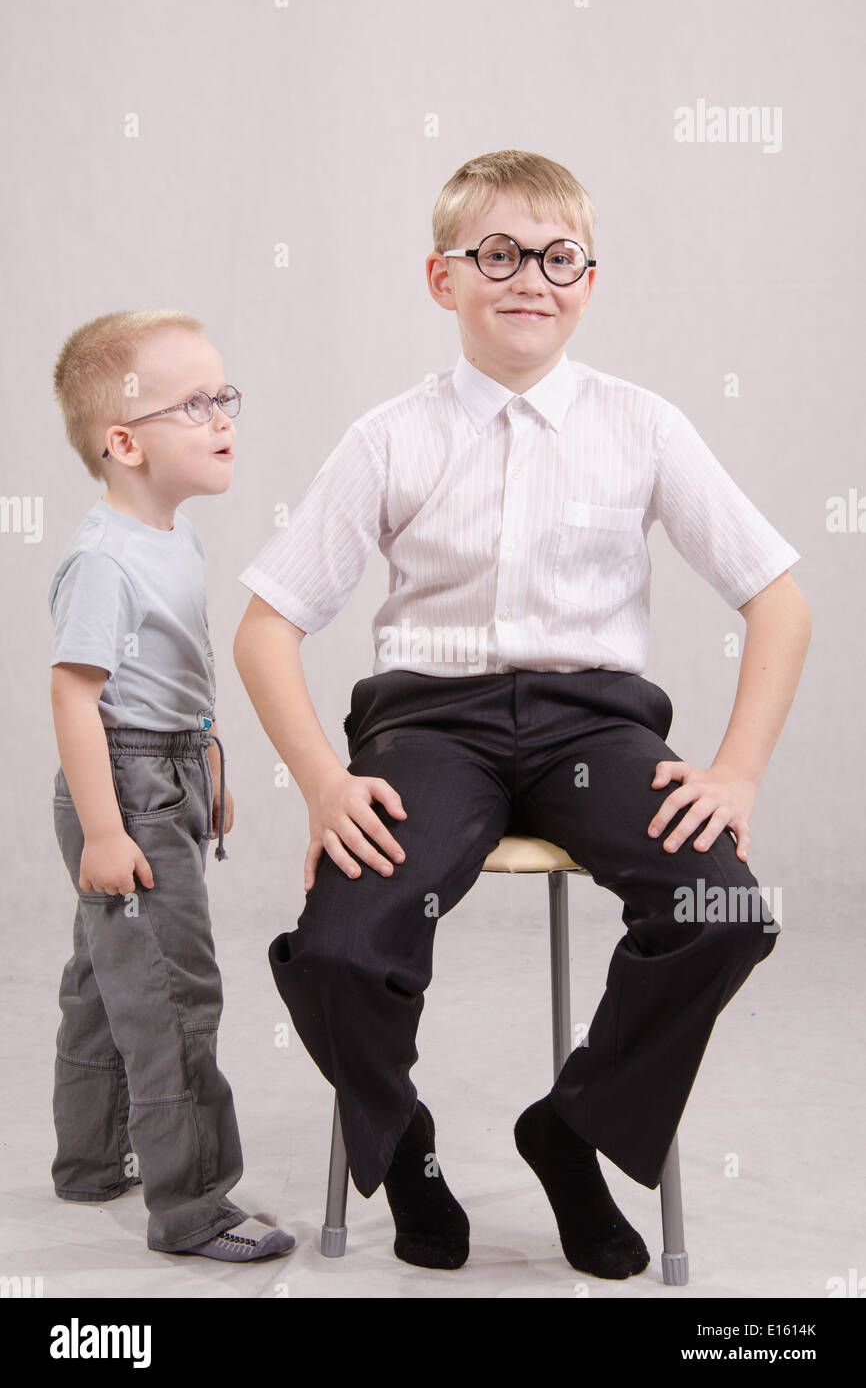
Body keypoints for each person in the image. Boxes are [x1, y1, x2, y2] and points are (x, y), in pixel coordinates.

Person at [233, 150, 811, 1278]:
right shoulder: (388, 436)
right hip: (428, 728)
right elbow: (266, 626)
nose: (527, 278)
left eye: (555, 258)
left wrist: (735, 771)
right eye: (496, 254)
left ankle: (571, 1130)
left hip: (591, 730)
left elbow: (777, 602)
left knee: (723, 908)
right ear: (442, 277)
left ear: (587, 281)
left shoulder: (640, 426)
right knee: (343, 944)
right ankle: (402, 1143)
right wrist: (319, 779)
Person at [48, 309, 295, 1261]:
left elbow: (180, 671)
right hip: (126, 785)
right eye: (193, 403)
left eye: (223, 395)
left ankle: (90, 1162)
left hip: (172, 770)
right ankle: (193, 1204)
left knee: (105, 980)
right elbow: (77, 701)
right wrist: (108, 833)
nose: (222, 415)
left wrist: (213, 763)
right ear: (123, 442)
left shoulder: (171, 537)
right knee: (172, 992)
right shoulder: (104, 558)